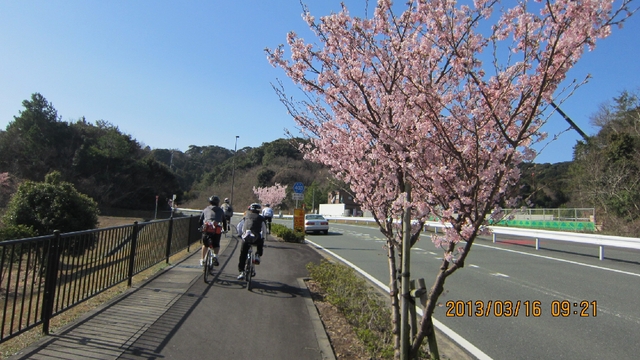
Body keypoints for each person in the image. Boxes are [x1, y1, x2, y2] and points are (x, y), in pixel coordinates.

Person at [236, 203, 267, 280]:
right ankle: (257, 255)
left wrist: (240, 235)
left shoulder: (246, 217)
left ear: (250, 209)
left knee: (243, 254)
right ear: (259, 211)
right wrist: (263, 238)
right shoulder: (261, 219)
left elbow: (239, 227)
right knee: (260, 241)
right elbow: (264, 231)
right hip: (256, 239)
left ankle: (241, 272)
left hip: (246, 238)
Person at [199, 195, 225, 267]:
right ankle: (215, 256)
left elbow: (200, 220)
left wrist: (200, 227)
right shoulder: (220, 210)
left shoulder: (206, 209)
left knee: (205, 244)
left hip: (207, 229)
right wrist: (225, 229)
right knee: (216, 244)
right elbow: (224, 221)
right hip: (216, 229)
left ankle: (202, 259)